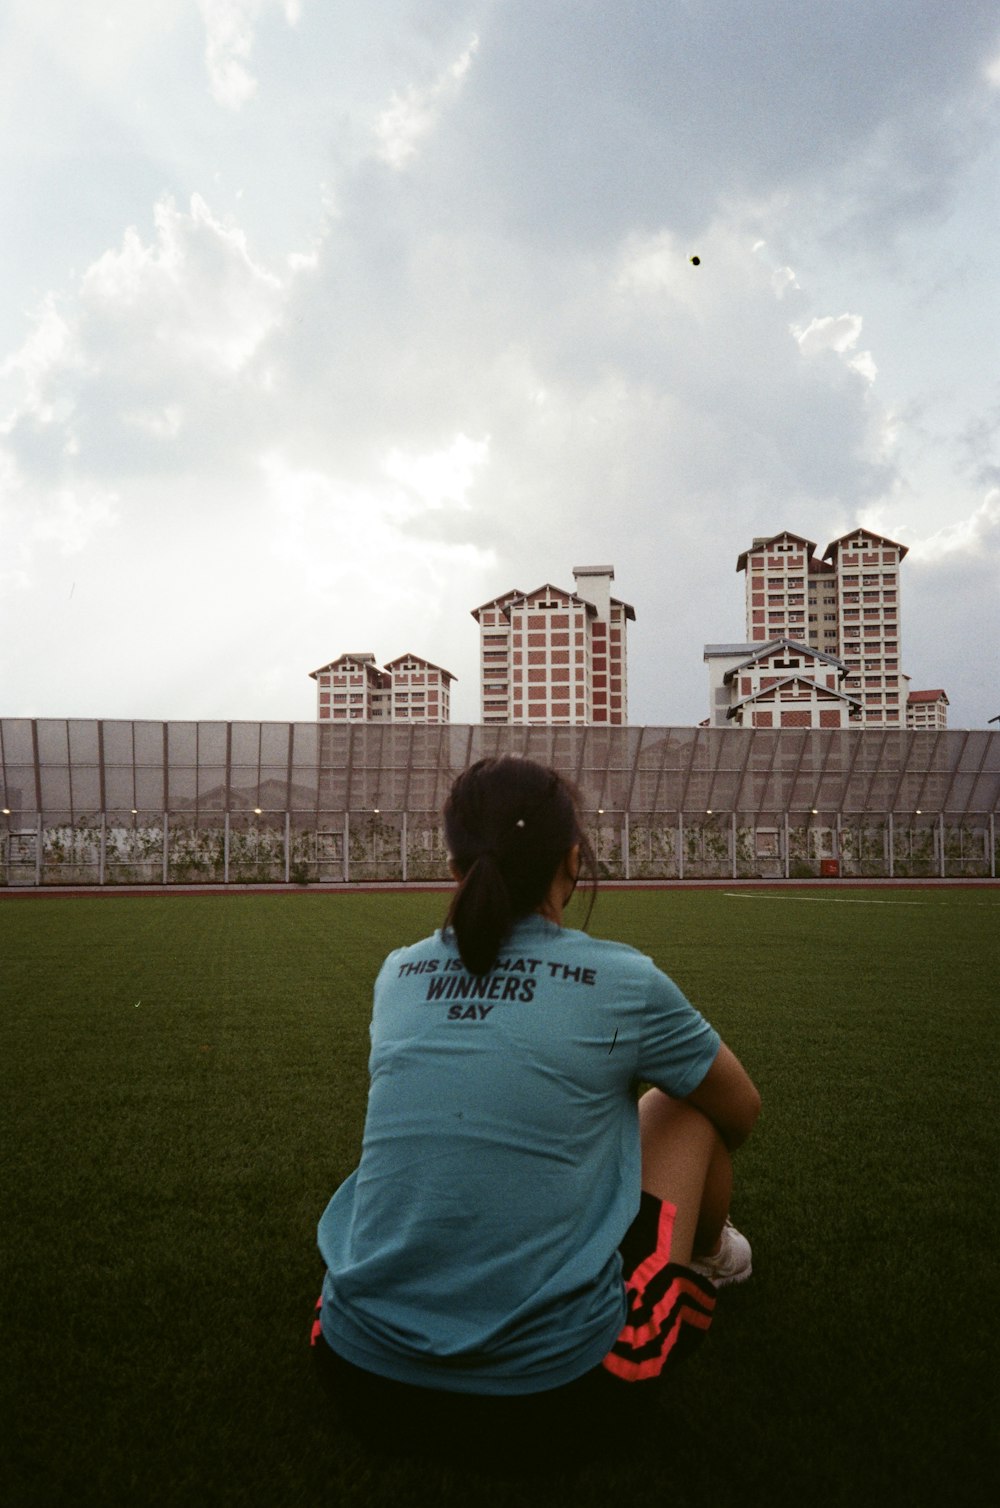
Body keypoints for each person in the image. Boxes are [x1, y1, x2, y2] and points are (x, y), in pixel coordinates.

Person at [312, 756, 761, 1469]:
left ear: (454, 863)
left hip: (359, 1376)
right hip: (560, 1401)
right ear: (573, 860)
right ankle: (709, 1261)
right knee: (690, 1109)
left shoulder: (398, 972)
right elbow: (739, 1110)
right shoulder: (622, 980)